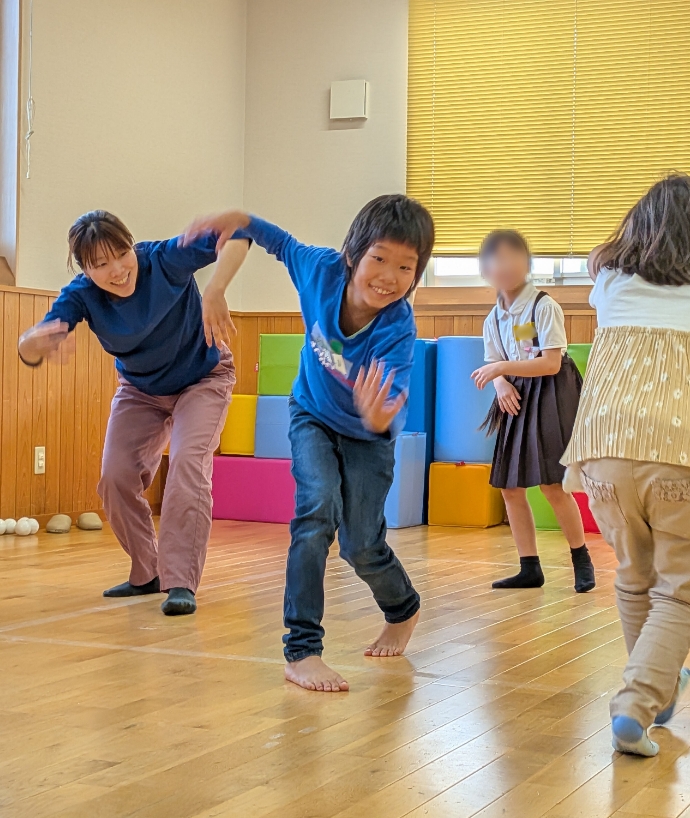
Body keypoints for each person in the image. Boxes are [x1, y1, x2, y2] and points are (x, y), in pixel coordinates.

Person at [182, 194, 434, 692]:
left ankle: (402, 607)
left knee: (361, 545)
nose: (389, 276)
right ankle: (302, 651)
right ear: (352, 254)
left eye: (406, 267)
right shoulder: (319, 270)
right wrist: (235, 232)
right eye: (379, 258)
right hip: (313, 416)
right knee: (315, 513)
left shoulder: (397, 327)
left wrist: (380, 412)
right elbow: (269, 237)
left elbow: (394, 402)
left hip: (368, 437)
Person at [18, 210, 249, 616]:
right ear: (85, 269)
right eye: (100, 264)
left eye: (122, 254)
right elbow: (29, 347)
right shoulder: (81, 295)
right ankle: (147, 571)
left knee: (187, 463)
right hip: (141, 390)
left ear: (132, 246)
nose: (117, 270)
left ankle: (180, 581)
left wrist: (215, 289)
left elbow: (241, 233)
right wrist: (36, 341)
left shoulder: (164, 259)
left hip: (203, 379)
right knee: (116, 477)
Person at [562, 173, 690, 757]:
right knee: (681, 588)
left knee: (635, 574)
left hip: (602, 451)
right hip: (675, 450)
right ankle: (635, 707)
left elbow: (601, 259)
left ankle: (656, 694)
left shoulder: (610, 280)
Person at [471, 230, 595, 592]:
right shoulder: (493, 318)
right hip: (517, 394)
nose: (505, 266)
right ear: (485, 269)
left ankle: (581, 559)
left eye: (513, 258)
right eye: (496, 259)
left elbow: (551, 363)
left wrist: (500, 369)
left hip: (551, 391)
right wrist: (500, 382)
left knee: (552, 484)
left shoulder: (543, 306)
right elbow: (495, 361)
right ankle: (529, 568)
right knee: (510, 487)